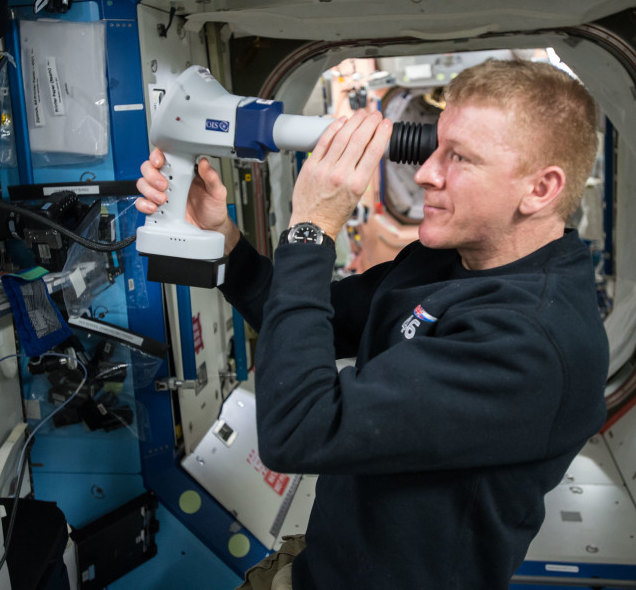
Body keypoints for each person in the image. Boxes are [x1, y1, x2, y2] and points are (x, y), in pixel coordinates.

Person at [135, 59, 609, 590]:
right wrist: (224, 238)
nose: (426, 172)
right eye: (436, 147)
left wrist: (313, 230)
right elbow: (304, 318)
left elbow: (299, 431)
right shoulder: (446, 262)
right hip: (324, 564)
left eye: (460, 158)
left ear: (541, 190)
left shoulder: (532, 341)